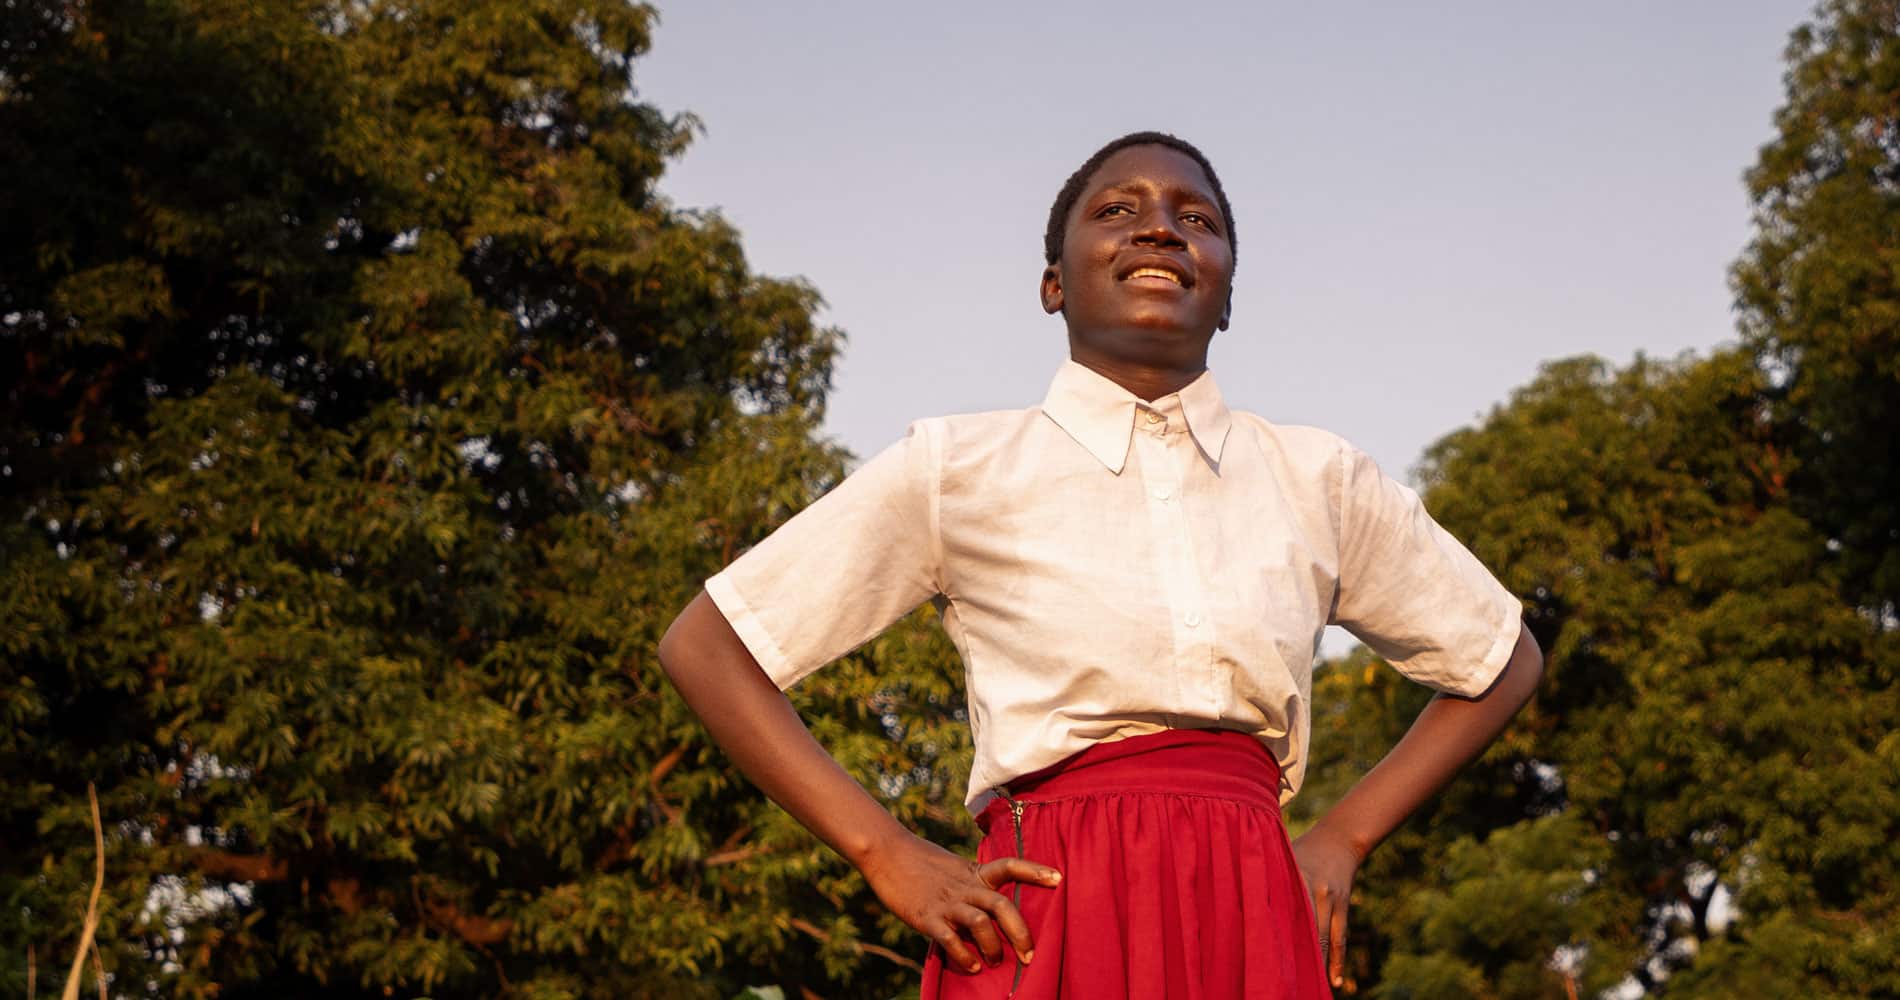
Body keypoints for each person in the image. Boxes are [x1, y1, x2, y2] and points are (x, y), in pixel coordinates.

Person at [657, 131, 1545, 999]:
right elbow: (709, 646)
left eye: (1197, 218)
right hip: (1045, 907)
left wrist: (1344, 838)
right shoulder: (956, 467)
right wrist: (884, 851)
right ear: (1053, 284)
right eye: (1118, 210)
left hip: (1250, 899)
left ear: (1227, 293)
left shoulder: (1319, 477)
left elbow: (1499, 656)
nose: (1162, 228)